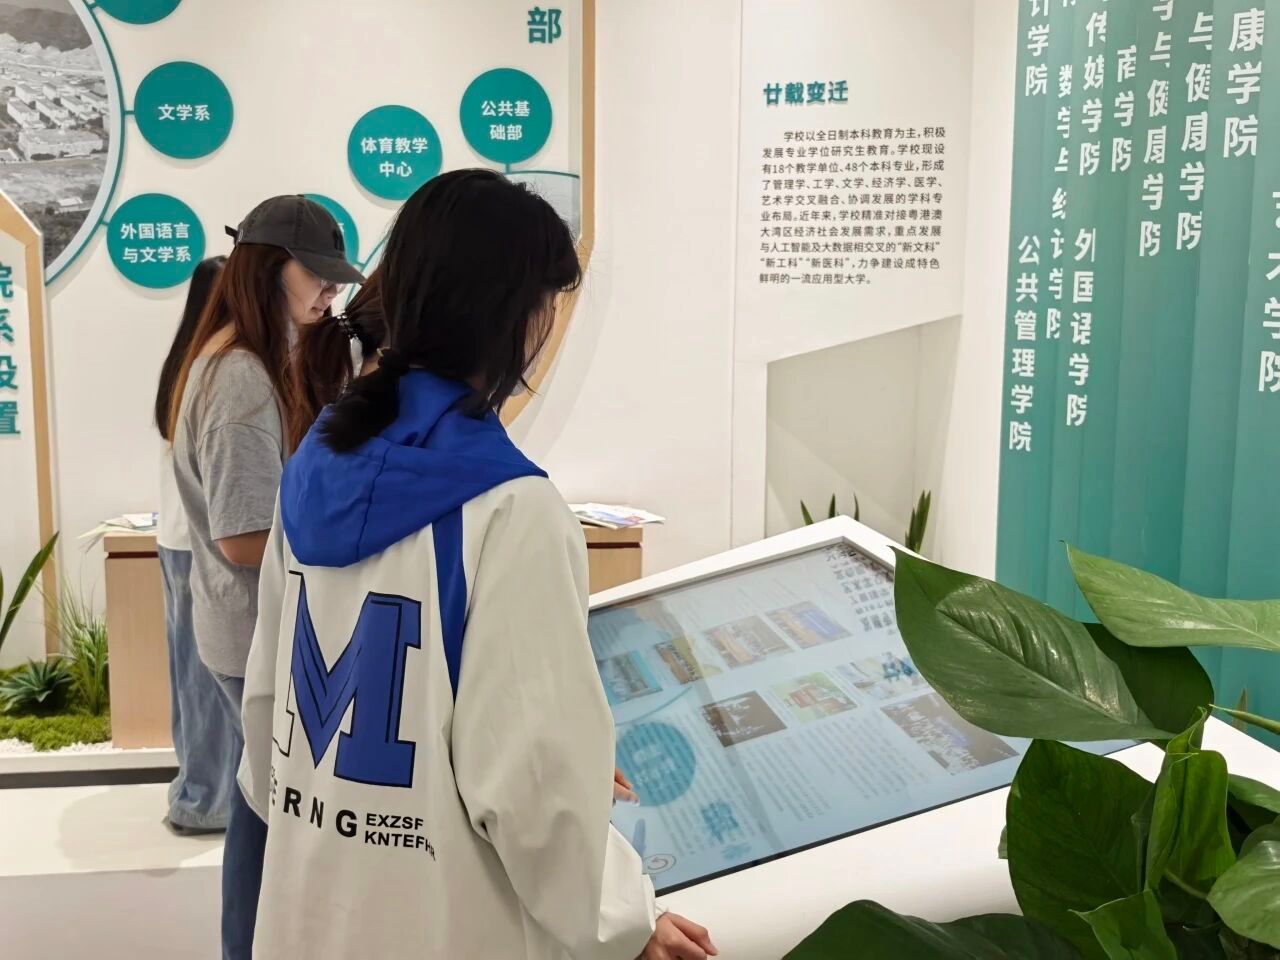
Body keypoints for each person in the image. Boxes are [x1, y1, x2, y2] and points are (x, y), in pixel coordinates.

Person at [239, 169, 716, 960]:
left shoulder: (313, 468)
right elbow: (530, 790)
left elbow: (266, 724)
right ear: (517, 316)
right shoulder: (510, 508)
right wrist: (625, 921)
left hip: (310, 912)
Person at [166, 195, 365, 960]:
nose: (330, 292)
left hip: (248, 626)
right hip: (253, 631)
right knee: (266, 807)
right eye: (317, 275)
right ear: (268, 268)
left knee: (261, 801)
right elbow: (244, 536)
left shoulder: (245, 359)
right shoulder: (242, 377)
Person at [153, 255, 236, 835]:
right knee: (205, 674)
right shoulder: (216, 368)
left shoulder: (185, 362)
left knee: (193, 671)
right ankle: (204, 800)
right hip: (198, 540)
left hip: (179, 538)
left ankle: (201, 791)